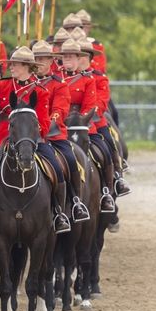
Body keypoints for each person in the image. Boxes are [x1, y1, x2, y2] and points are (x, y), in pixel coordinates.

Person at [0, 46, 71, 237]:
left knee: (57, 171)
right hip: (1, 140)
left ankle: (59, 213)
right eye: (12, 64)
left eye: (15, 64)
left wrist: (27, 138)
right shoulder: (3, 85)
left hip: (31, 141)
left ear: (27, 66)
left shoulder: (40, 91)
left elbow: (43, 123)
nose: (11, 68)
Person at [32, 40, 90, 222]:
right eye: (36, 59)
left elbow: (59, 111)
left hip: (52, 134)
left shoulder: (59, 84)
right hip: (24, 136)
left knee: (70, 161)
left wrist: (42, 127)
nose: (40, 63)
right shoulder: (24, 83)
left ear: (51, 61)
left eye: (44, 59)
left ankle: (73, 202)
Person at [57, 38, 116, 213]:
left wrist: (80, 120)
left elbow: (93, 105)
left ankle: (107, 189)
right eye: (65, 56)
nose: (69, 60)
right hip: (59, 124)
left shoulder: (91, 79)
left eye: (72, 56)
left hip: (84, 124)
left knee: (105, 150)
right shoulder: (55, 78)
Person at [76, 38, 131, 197]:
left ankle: (114, 181)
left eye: (83, 56)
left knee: (108, 146)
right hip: (70, 125)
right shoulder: (66, 78)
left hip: (94, 122)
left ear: (89, 58)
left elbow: (101, 102)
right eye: (77, 55)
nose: (79, 59)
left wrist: (86, 116)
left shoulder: (99, 78)